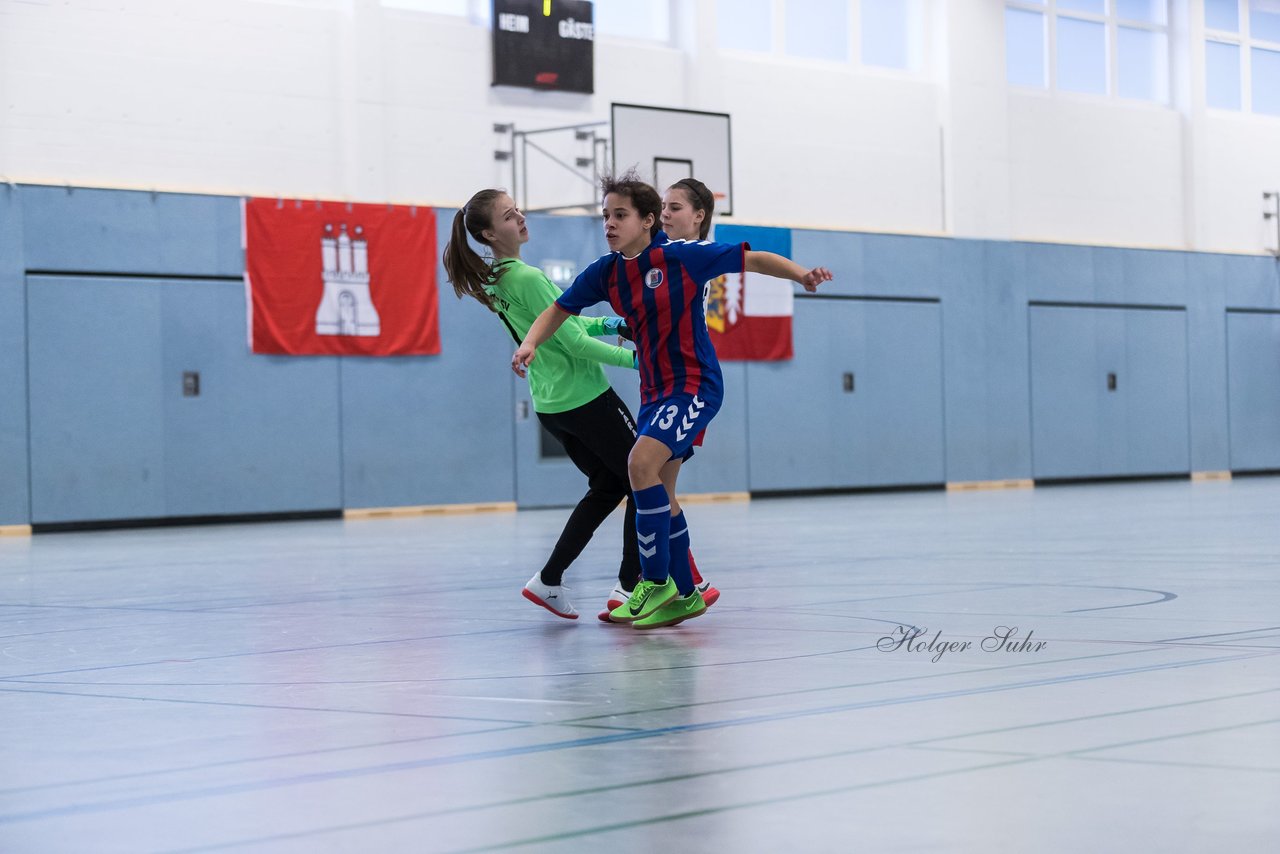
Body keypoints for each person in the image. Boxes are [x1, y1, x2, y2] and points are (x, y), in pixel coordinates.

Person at [512, 172, 832, 629]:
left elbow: (755, 259)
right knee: (658, 489)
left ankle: (656, 580)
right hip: (653, 393)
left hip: (695, 385)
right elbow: (559, 309)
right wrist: (530, 344)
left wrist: (801, 274)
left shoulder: (681, 257)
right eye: (605, 215)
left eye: (620, 215)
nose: (609, 223)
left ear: (647, 221)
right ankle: (687, 592)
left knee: (639, 465)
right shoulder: (606, 272)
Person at [443, 189, 640, 621]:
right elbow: (572, 342)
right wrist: (636, 359)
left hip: (553, 406)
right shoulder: (526, 278)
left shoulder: (499, 280)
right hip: (587, 399)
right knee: (645, 480)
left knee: (610, 485)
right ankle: (630, 587)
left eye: (517, 209)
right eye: (509, 215)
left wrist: (612, 322)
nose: (520, 217)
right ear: (489, 233)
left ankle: (549, 580)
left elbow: (562, 319)